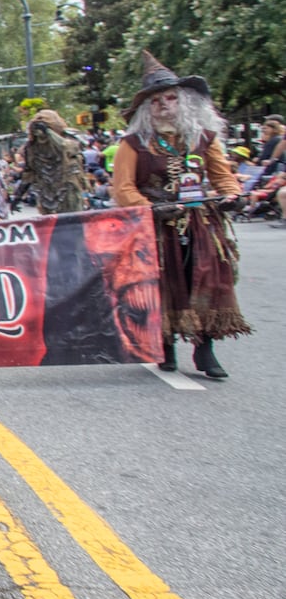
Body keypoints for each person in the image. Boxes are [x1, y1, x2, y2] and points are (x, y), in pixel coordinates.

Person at [110, 52, 249, 378]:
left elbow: (223, 176)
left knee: (206, 281)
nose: (164, 106)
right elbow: (123, 188)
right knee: (162, 283)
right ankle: (166, 345)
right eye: (156, 101)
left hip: (201, 224)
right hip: (155, 226)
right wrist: (150, 207)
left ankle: (205, 349)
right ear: (147, 108)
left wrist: (231, 195)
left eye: (171, 98)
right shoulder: (132, 144)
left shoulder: (204, 139)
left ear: (183, 102)